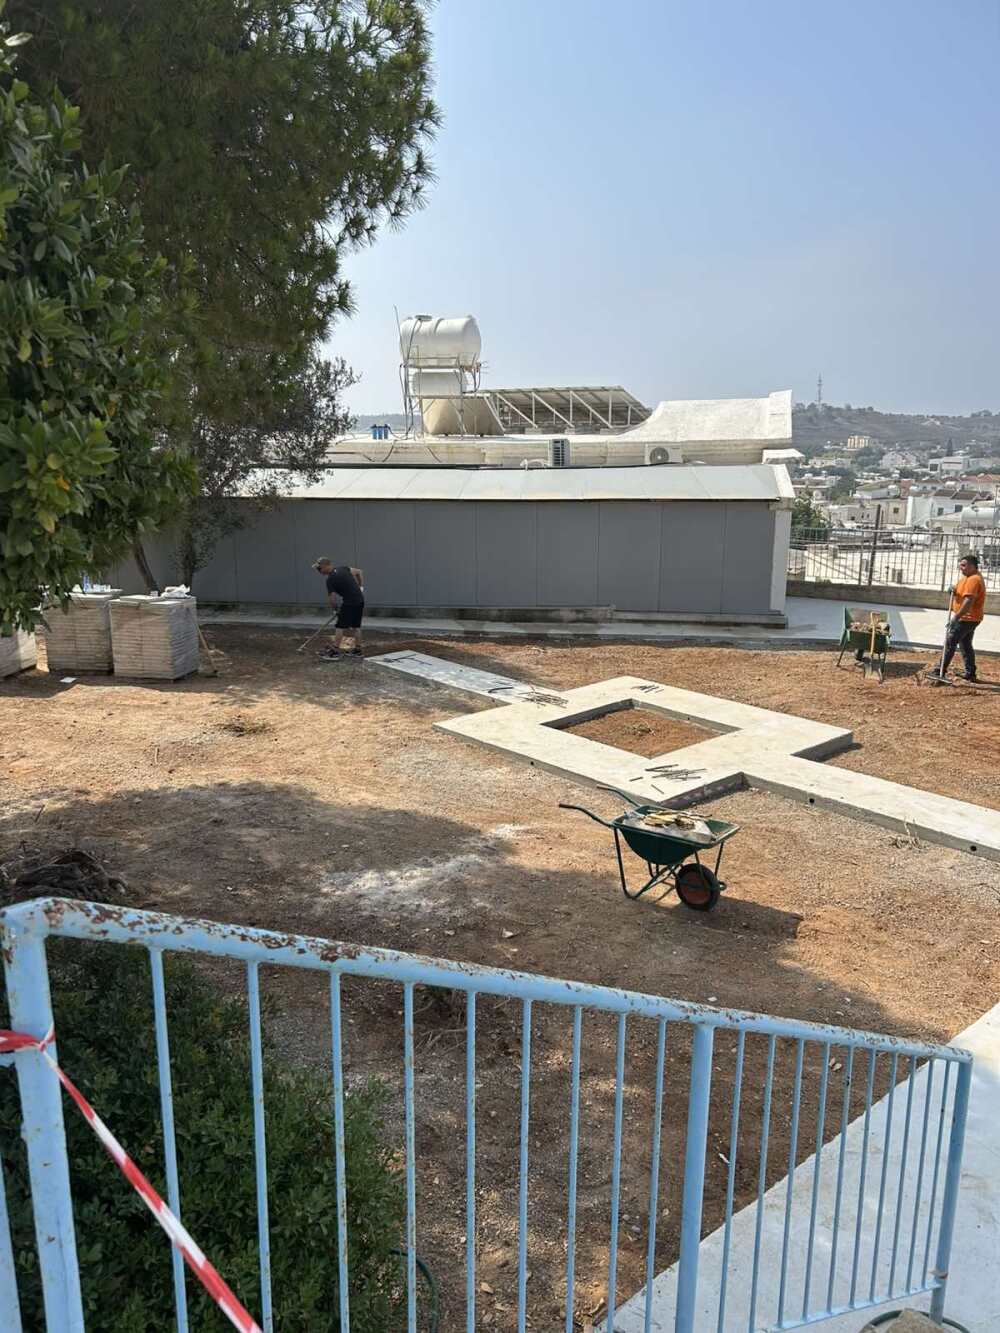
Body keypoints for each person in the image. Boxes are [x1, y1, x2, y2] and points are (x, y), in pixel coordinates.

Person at [928, 552, 986, 682]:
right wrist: (954, 590)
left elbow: (968, 601)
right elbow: (962, 591)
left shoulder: (974, 579)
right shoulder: (967, 577)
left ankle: (939, 671)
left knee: (950, 642)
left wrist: (956, 617)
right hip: (971, 618)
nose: (961, 567)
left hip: (966, 618)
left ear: (973, 566)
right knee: (965, 645)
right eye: (960, 565)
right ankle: (970, 673)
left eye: (964, 565)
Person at [312, 557, 365, 660]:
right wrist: (361, 587)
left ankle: (335, 651)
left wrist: (335, 610)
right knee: (356, 626)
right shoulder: (343, 568)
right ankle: (358, 651)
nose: (319, 571)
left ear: (326, 566)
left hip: (350, 603)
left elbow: (332, 598)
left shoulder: (330, 579)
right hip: (360, 600)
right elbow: (359, 572)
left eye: (319, 568)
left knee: (339, 626)